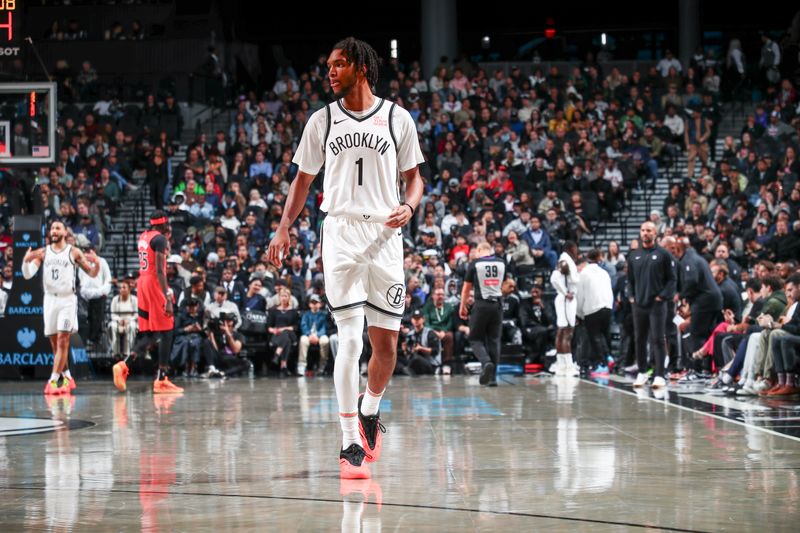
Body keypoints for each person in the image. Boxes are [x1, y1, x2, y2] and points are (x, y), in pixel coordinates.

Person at [267, 37, 425, 480]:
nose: (330, 72)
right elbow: (301, 182)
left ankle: (369, 408)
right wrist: (284, 227)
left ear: (360, 67)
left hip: (385, 233)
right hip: (339, 231)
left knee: (387, 348)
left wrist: (409, 207)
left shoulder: (397, 118)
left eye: (338, 65)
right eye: (329, 65)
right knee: (350, 338)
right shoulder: (322, 121)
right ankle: (349, 440)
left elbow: (415, 179)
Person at [22, 220, 100, 395]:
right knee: (54, 343)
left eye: (58, 228)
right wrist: (25, 261)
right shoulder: (43, 252)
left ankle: (53, 380)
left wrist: (98, 263)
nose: (54, 231)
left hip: (67, 300)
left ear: (65, 232)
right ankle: (67, 376)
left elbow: (92, 273)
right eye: (52, 228)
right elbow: (27, 275)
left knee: (63, 338)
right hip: (49, 299)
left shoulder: (74, 252)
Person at [112, 211, 183, 394]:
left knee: (150, 334)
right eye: (167, 224)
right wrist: (167, 296)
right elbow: (160, 270)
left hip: (142, 283)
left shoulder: (144, 235)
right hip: (154, 283)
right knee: (167, 330)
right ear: (163, 224)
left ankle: (123, 366)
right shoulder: (160, 239)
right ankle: (162, 379)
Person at [627, 222, 677, 389]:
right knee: (639, 339)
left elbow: (672, 279)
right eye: (642, 230)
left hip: (657, 304)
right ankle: (642, 372)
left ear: (655, 233)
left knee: (658, 339)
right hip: (638, 305)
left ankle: (659, 375)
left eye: (648, 230)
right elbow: (630, 280)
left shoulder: (663, 254)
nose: (645, 233)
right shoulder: (634, 255)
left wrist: (662, 296)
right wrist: (631, 296)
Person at [459, 241, 507, 387]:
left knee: (475, 338)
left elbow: (466, 288)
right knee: (494, 340)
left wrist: (463, 306)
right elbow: (503, 284)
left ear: (479, 250)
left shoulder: (475, 264)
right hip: (497, 305)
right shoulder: (501, 262)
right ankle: (492, 379)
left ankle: (486, 363)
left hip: (481, 304)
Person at [576, 249, 614, 375]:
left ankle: (602, 364)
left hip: (592, 308)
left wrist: (579, 314)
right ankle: (608, 357)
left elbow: (580, 296)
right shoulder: (604, 272)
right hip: (607, 306)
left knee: (595, 337)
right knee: (603, 335)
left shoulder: (584, 274)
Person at [550, 241, 581, 377]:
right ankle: (567, 365)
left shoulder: (565, 260)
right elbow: (554, 279)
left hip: (565, 299)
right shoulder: (565, 261)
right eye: (575, 248)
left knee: (562, 331)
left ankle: (561, 364)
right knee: (567, 332)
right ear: (570, 248)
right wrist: (565, 292)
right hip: (566, 300)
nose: (577, 251)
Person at [298, 294, 330, 376]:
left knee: (325, 341)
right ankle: (302, 365)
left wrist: (318, 336)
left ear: (320, 304)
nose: (314, 304)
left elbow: (324, 327)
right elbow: (303, 326)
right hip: (308, 335)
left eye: (316, 302)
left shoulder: (323, 315)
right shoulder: (306, 315)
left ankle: (322, 365)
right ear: (309, 304)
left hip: (319, 335)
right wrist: (309, 335)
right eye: (312, 302)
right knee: (303, 340)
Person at [108, 280, 138, 359]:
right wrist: (119, 320)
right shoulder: (115, 299)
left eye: (124, 287)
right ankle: (116, 352)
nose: (121, 289)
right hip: (118, 321)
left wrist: (128, 320)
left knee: (131, 327)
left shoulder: (134, 299)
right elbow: (113, 314)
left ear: (129, 289)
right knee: (112, 326)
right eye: (120, 288)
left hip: (130, 321)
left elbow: (136, 314)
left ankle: (127, 353)